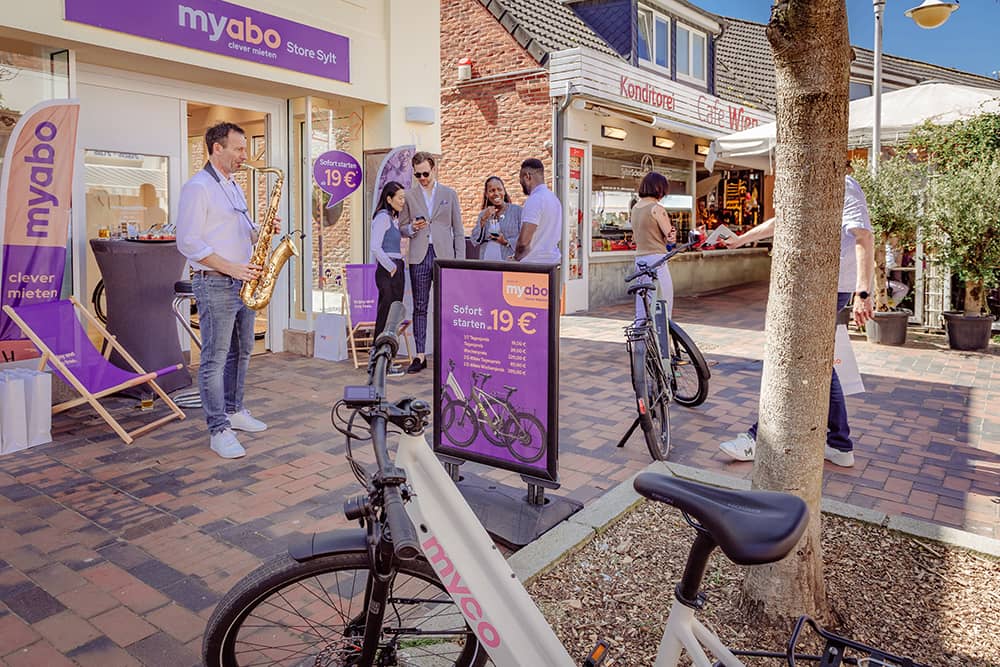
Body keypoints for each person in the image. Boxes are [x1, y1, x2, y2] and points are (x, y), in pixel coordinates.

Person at [719, 171, 874, 468]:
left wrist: (863, 292)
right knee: (818, 363)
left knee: (791, 358)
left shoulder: (842, 184)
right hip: (812, 285)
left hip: (830, 287)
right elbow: (784, 220)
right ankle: (839, 442)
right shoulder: (811, 182)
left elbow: (864, 236)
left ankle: (759, 438)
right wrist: (742, 239)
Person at [176, 121, 268, 459]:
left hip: (242, 280)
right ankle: (218, 429)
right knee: (214, 359)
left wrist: (261, 232)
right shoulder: (198, 187)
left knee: (242, 351)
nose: (245, 155)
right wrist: (230, 268)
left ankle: (234, 409)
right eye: (239, 148)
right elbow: (187, 241)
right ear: (218, 148)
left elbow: (240, 233)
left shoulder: (233, 186)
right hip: (215, 281)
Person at [399, 151, 465, 374]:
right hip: (419, 256)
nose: (423, 178)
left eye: (426, 173)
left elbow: (458, 230)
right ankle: (419, 355)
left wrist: (459, 262)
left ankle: (449, 351)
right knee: (420, 307)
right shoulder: (409, 196)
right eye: (418, 175)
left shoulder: (449, 194)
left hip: (444, 256)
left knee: (447, 306)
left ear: (434, 168)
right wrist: (411, 229)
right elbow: (402, 226)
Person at [630, 171, 676, 320]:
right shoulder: (657, 209)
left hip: (640, 260)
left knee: (642, 308)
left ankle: (640, 342)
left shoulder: (635, 208)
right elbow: (670, 238)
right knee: (664, 306)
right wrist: (672, 234)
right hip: (657, 260)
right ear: (659, 188)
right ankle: (662, 342)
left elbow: (635, 236)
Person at [370, 181, 406, 338]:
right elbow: (375, 247)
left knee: (394, 313)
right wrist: (391, 267)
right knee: (386, 312)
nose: (403, 202)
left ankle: (387, 355)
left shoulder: (393, 219)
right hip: (388, 269)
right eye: (400, 198)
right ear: (389, 199)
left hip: (396, 266)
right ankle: (377, 352)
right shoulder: (382, 218)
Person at [514, 158, 562, 264]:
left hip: (534, 265)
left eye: (521, 179)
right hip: (553, 263)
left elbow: (523, 242)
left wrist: (515, 258)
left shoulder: (535, 199)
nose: (521, 183)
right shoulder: (554, 199)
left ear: (527, 176)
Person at [469, 176, 522, 261]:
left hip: (508, 262)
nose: (496, 193)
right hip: (487, 261)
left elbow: (525, 239)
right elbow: (474, 240)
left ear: (504, 191)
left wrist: (506, 241)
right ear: (486, 194)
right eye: (492, 191)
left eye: (499, 189)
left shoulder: (517, 211)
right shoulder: (483, 214)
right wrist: (483, 221)